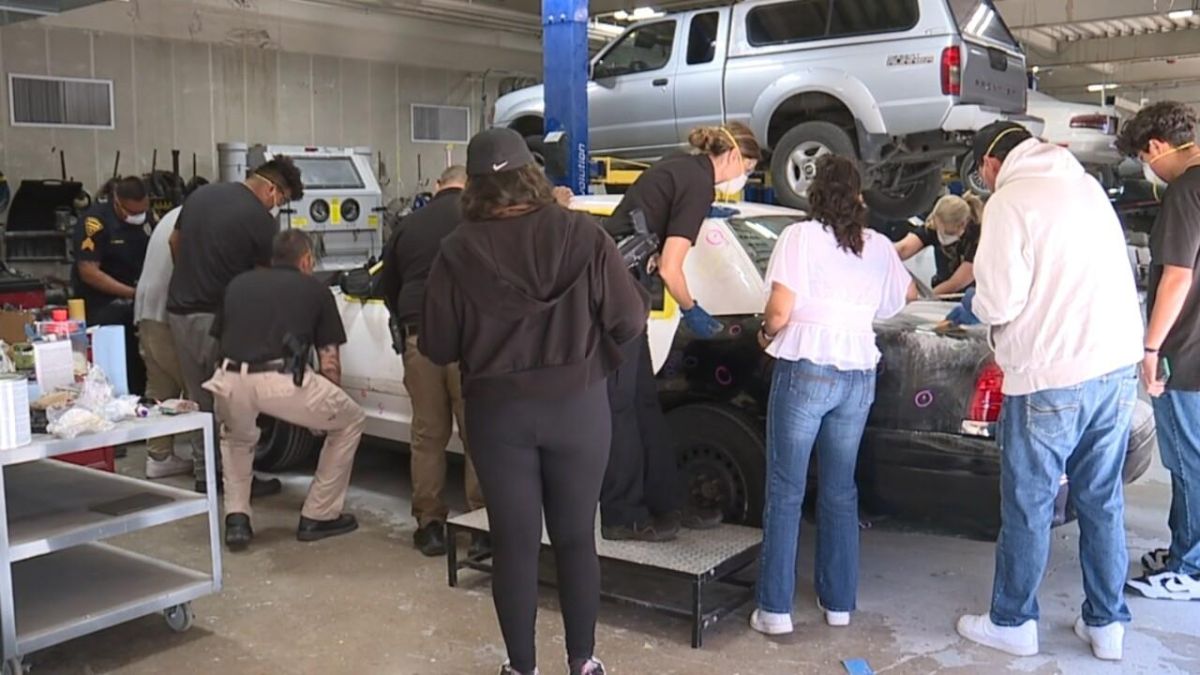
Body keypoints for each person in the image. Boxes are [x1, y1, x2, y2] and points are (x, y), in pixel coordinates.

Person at [421, 128, 648, 675]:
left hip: (500, 416)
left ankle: (521, 667)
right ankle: (583, 662)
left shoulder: (455, 250)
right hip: (578, 406)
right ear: (531, 174)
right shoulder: (583, 234)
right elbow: (628, 320)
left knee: (515, 545)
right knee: (575, 539)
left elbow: (439, 345)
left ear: (472, 187)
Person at [955, 122, 1143, 662]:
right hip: (1114, 367)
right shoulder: (1085, 187)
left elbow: (997, 304)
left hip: (1051, 374)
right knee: (1102, 499)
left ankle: (1013, 620)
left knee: (1029, 503)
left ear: (991, 164)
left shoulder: (1011, 202)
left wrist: (976, 307)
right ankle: (1107, 625)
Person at [750, 156, 913, 636]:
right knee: (841, 490)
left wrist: (763, 337)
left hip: (807, 365)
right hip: (858, 372)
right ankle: (839, 602)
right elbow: (902, 297)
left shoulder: (799, 238)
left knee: (786, 488)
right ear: (859, 197)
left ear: (815, 193)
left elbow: (779, 312)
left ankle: (775, 611)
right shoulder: (879, 245)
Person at [599, 122, 762, 542]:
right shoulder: (698, 183)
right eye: (746, 166)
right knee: (623, 408)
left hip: (620, 289)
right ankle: (622, 515)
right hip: (612, 296)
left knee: (643, 403)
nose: (741, 176)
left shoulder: (680, 167)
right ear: (730, 156)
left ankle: (666, 503)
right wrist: (693, 311)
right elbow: (672, 268)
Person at [204, 230, 365, 551]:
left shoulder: (238, 284)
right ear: (306, 260)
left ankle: (237, 519)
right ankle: (319, 515)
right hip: (280, 379)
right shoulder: (316, 290)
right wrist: (323, 414)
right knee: (351, 420)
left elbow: (219, 341)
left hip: (228, 377)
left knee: (236, 439)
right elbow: (330, 362)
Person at [166, 157, 303, 495]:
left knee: (199, 401)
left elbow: (174, 242)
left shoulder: (200, 196)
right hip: (219, 320)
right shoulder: (260, 220)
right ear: (271, 189)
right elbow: (262, 279)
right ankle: (238, 480)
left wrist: (192, 279)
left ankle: (205, 476)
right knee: (234, 402)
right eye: (281, 200)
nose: (277, 207)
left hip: (179, 312)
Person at [378, 165, 487, 558]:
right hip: (470, 342)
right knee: (479, 436)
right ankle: (481, 530)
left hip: (420, 338)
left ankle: (431, 526)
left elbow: (386, 284)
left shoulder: (409, 225)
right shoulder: (480, 217)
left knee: (427, 436)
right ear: (469, 184)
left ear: (438, 186)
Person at [1116, 101, 1200, 601]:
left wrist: (1150, 348)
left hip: (1186, 351)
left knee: (1188, 461)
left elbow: (1177, 274)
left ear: (1155, 147)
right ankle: (1181, 549)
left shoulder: (1186, 190)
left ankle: (1189, 569)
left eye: (1145, 159)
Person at [133, 205, 198, 479]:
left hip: (146, 311)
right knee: (197, 389)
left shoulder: (176, 214)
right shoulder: (200, 217)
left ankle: (159, 456)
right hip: (171, 315)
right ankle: (209, 463)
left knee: (161, 384)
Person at [73, 176, 153, 396]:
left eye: (142, 211)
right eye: (132, 212)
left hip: (137, 307)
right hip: (104, 310)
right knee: (115, 373)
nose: (138, 217)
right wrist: (131, 293)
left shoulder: (148, 219)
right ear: (117, 202)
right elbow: (88, 271)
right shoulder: (95, 222)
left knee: (141, 371)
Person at [893, 192, 984, 296]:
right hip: (942, 284)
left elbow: (956, 283)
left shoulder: (978, 238)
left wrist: (926, 299)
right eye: (938, 229)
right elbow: (904, 248)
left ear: (962, 225)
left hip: (970, 294)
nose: (940, 235)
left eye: (946, 232)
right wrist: (883, 254)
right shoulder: (934, 226)